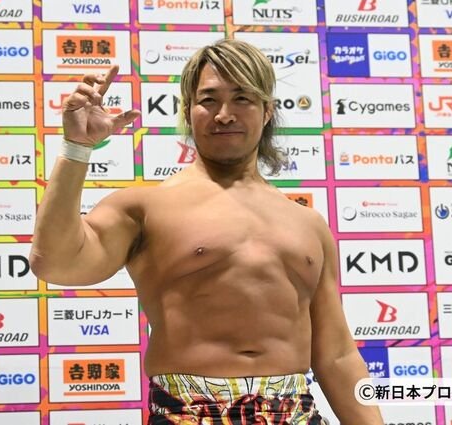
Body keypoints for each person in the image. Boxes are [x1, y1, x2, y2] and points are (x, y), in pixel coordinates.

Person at [30, 38, 383, 424]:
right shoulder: (145, 207)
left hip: (295, 412)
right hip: (188, 413)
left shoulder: (308, 224)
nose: (224, 115)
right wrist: (76, 148)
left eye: (242, 98)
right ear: (188, 110)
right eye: (209, 100)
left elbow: (337, 356)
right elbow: (56, 263)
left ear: (267, 111)